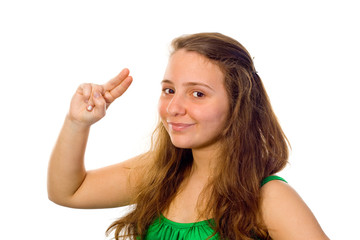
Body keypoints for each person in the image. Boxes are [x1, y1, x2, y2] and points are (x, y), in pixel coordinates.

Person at [47, 33, 329, 240]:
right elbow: (68, 192)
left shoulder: (270, 198)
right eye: (169, 90)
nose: (173, 108)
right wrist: (77, 122)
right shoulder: (158, 174)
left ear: (238, 103)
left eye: (198, 94)